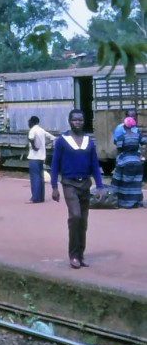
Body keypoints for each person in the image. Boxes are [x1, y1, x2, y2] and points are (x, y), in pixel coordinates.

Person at [51, 109, 104, 269]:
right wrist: (54, 186)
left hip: (85, 184)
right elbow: (55, 164)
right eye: (75, 120)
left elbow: (95, 164)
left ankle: (80, 255)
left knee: (83, 221)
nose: (78, 122)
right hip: (69, 183)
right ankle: (73, 255)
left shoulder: (89, 141)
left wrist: (100, 186)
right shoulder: (62, 141)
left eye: (80, 120)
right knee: (75, 216)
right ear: (69, 121)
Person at [111, 116, 147, 208]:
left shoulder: (121, 137)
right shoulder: (138, 136)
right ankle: (135, 202)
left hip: (125, 161)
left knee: (120, 181)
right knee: (136, 183)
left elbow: (119, 150)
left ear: (124, 126)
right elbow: (144, 143)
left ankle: (124, 202)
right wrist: (142, 156)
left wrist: (118, 161)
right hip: (137, 161)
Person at [27, 116, 54, 204]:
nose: (28, 123)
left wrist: (34, 147)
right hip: (42, 156)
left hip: (33, 157)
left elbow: (30, 138)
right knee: (40, 177)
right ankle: (41, 197)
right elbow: (53, 138)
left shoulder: (32, 130)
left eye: (29, 121)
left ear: (32, 122)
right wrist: (44, 144)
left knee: (34, 177)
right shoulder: (41, 130)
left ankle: (35, 197)